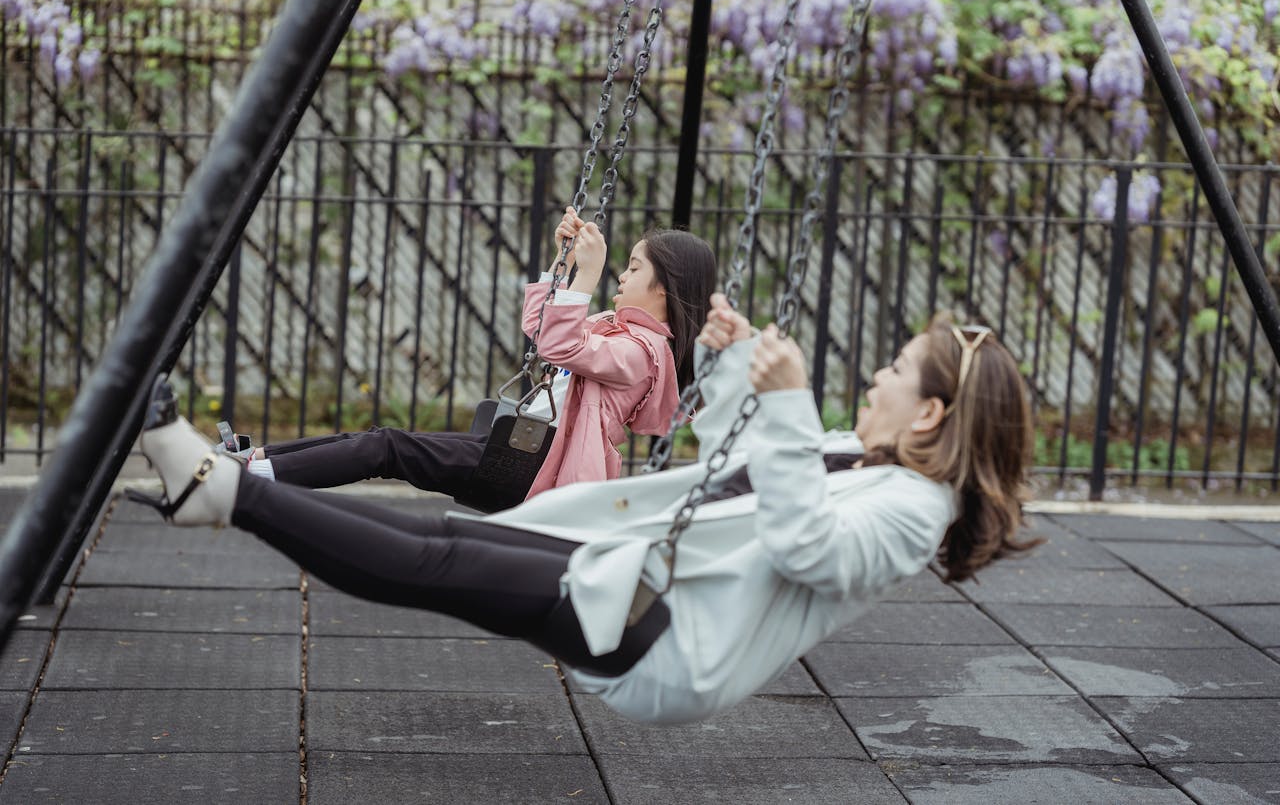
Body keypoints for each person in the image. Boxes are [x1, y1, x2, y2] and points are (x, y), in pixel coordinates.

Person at [130, 294, 1041, 725]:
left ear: (929, 412)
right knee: (445, 543)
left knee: (438, 563)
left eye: (895, 369)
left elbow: (806, 545)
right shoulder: (862, 455)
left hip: (668, 637)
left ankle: (226, 492)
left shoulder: (913, 512)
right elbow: (733, 463)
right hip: (641, 582)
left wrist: (793, 399)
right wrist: (729, 366)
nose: (876, 375)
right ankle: (221, 489)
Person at [236, 207, 717, 511]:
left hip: (536, 470)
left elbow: (559, 346)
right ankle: (258, 460)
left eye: (633, 268)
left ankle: (256, 476)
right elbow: (539, 329)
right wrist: (564, 264)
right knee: (379, 443)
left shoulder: (643, 354)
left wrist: (587, 276)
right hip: (522, 453)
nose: (621, 276)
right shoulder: (617, 331)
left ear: (665, 288)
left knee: (388, 447)